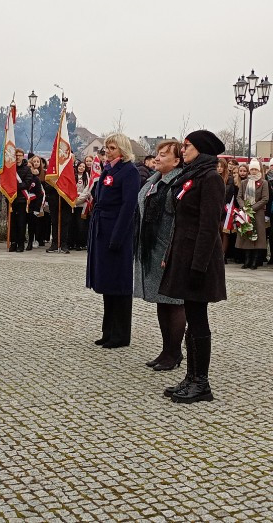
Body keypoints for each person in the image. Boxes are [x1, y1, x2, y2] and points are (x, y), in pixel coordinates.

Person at [159, 130, 227, 404]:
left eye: (187, 146)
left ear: (201, 149)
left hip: (200, 261)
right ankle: (191, 377)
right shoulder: (193, 176)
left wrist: (197, 266)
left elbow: (209, 227)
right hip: (185, 255)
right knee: (192, 316)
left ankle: (202, 383)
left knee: (198, 319)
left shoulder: (210, 179)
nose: (182, 150)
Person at [133, 139, 185, 371]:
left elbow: (178, 223)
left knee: (173, 303)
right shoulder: (155, 180)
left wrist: (171, 251)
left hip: (168, 251)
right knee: (161, 302)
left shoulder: (177, 184)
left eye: (164, 155)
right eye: (157, 153)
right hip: (152, 249)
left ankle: (174, 353)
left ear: (176, 161)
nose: (157, 157)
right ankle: (166, 350)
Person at [86, 134, 141, 348]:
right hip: (102, 228)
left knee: (119, 284)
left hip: (117, 232)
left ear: (122, 150)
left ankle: (120, 334)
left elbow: (128, 207)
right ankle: (108, 330)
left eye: (111, 147)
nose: (107, 151)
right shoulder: (108, 169)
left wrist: (118, 236)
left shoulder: (129, 172)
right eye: (106, 148)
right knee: (106, 282)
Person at [235, 159, 268, 269]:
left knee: (257, 236)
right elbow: (239, 196)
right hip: (246, 212)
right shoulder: (244, 183)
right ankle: (247, 260)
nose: (253, 171)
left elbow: (265, 198)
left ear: (258, 170)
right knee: (247, 235)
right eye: (252, 169)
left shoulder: (263, 183)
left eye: (255, 169)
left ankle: (255, 261)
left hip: (257, 213)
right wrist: (244, 207)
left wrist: (252, 208)